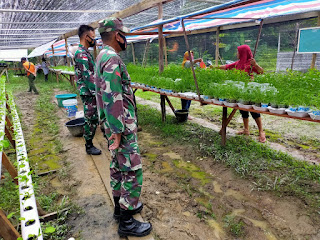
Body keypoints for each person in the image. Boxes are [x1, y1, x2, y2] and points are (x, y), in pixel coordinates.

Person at [95, 17, 152, 237]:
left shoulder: (101, 56)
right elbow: (112, 96)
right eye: (124, 35)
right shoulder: (112, 59)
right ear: (118, 35)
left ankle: (121, 208)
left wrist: (108, 126)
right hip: (120, 126)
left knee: (118, 166)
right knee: (131, 170)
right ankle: (127, 221)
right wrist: (118, 131)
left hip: (112, 124)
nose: (125, 38)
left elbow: (101, 95)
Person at [219, 45, 266, 143]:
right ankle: (246, 129)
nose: (237, 54)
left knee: (254, 110)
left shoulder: (251, 63)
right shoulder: (238, 63)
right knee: (243, 111)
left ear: (243, 53)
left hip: (250, 91)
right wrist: (213, 67)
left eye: (238, 52)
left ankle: (261, 131)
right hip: (240, 90)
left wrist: (256, 65)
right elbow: (227, 67)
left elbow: (261, 72)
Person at [74, 25, 102, 155]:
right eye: (93, 37)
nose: (94, 40)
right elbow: (88, 77)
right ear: (86, 37)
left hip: (90, 92)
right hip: (88, 92)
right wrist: (98, 93)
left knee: (93, 117)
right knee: (90, 118)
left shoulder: (85, 52)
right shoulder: (81, 54)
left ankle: (90, 143)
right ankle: (89, 145)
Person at [181, 51, 205, 118]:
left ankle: (186, 113)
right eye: (189, 55)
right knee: (185, 99)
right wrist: (197, 60)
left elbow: (199, 67)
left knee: (189, 99)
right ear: (186, 56)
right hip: (185, 83)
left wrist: (201, 65)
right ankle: (184, 113)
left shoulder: (192, 63)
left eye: (192, 55)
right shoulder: (185, 63)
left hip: (190, 83)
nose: (191, 56)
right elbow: (191, 63)